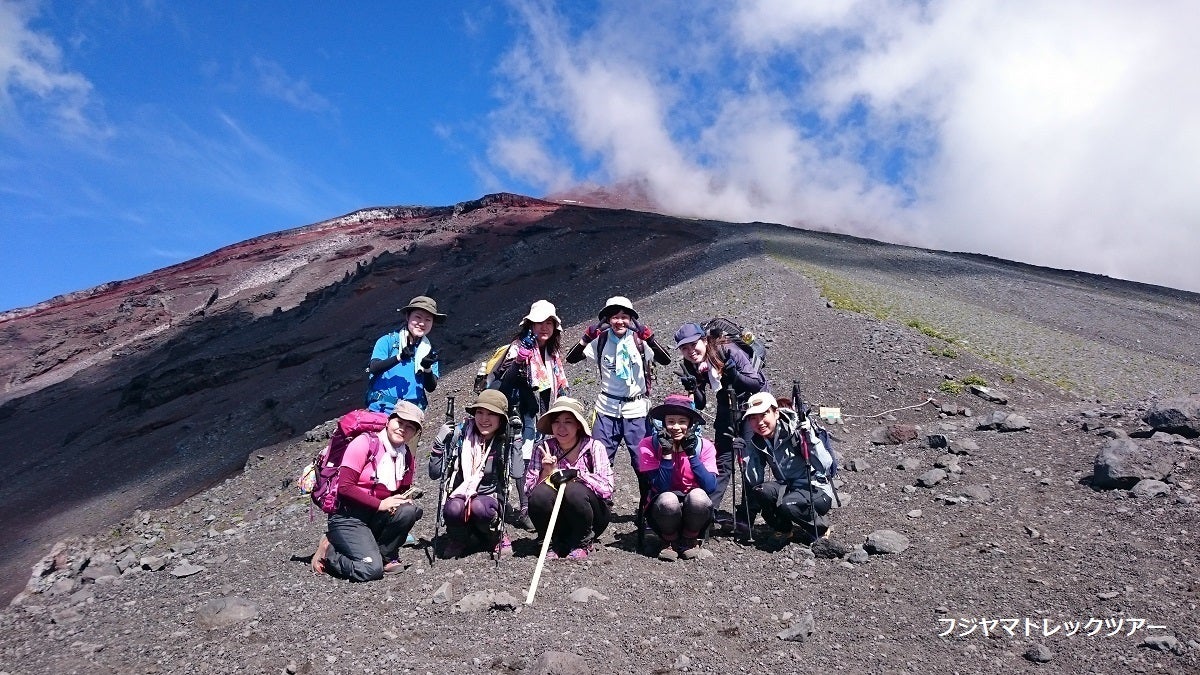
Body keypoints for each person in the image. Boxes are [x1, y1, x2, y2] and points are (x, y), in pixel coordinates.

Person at [565, 296, 671, 497]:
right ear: (607, 320)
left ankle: (647, 507)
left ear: (632, 319)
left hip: (637, 409)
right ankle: (600, 505)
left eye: (624, 317)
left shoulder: (639, 340)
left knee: (643, 463)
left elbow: (665, 360)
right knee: (598, 460)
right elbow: (571, 359)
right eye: (614, 317)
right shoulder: (601, 340)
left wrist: (650, 339)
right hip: (606, 409)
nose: (620, 321)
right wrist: (586, 337)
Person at [311, 401, 425, 581]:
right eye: (399, 422)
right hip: (348, 516)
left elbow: (402, 489)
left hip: (374, 515)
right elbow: (345, 487)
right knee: (370, 570)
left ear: (415, 433)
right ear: (389, 421)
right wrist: (380, 504)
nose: (403, 429)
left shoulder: (406, 456)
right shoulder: (365, 443)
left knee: (409, 511)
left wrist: (403, 500)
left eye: (410, 427)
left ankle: (385, 555)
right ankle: (330, 552)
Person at [673, 322, 769, 528]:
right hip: (726, 405)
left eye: (693, 345)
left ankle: (746, 517)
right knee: (722, 460)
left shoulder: (728, 350)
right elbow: (700, 403)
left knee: (750, 461)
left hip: (752, 408)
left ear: (704, 340)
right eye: (684, 348)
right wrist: (693, 388)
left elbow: (756, 384)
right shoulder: (691, 364)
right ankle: (707, 513)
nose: (690, 351)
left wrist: (735, 376)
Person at [492, 300, 571, 532]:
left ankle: (540, 502)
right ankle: (526, 507)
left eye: (549, 323)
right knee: (523, 457)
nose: (544, 327)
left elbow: (559, 381)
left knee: (541, 455)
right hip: (523, 411)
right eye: (539, 323)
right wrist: (519, 360)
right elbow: (504, 381)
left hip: (545, 411)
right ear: (530, 325)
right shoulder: (518, 347)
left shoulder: (552, 353)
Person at [734, 392, 835, 544]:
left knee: (788, 504)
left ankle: (819, 528)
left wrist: (810, 438)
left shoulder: (797, 430)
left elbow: (825, 465)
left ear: (776, 413)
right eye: (753, 418)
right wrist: (745, 453)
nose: (759, 422)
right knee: (761, 491)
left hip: (816, 489)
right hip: (789, 488)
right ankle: (783, 529)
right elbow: (755, 480)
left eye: (764, 415)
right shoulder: (757, 441)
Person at [428, 389, 516, 559]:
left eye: (491, 414)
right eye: (479, 412)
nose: (484, 419)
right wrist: (439, 443)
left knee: (479, 507)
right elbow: (435, 473)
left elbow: (517, 472)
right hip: (459, 494)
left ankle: (495, 536)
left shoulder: (504, 440)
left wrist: (516, 438)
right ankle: (459, 539)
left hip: (489, 498)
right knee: (453, 509)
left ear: (501, 419)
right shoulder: (460, 435)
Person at [524, 397, 613, 560]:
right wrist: (546, 472)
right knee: (540, 494)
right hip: (558, 519)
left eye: (568, 422)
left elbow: (607, 489)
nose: (561, 428)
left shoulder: (593, 447)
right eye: (556, 422)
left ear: (578, 425)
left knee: (573, 490)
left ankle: (582, 542)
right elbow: (529, 491)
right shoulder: (543, 449)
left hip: (591, 516)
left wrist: (577, 474)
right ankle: (551, 542)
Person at [636, 394, 718, 561]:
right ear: (663, 423)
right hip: (662, 506)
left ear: (690, 424)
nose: (676, 427)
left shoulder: (705, 446)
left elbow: (710, 487)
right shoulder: (648, 445)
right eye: (671, 421)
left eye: (682, 421)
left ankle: (690, 538)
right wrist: (666, 455)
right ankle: (669, 540)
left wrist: (692, 455)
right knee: (668, 499)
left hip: (693, 506)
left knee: (699, 497)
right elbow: (661, 488)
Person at [365, 295, 445, 412]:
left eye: (428, 320)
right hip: (382, 410)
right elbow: (374, 367)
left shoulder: (429, 353)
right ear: (408, 316)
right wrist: (399, 357)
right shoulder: (388, 341)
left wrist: (427, 368)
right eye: (418, 317)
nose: (422, 323)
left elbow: (430, 387)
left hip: (411, 414)